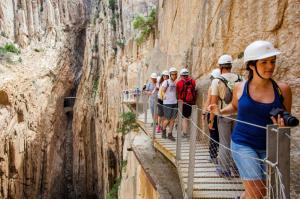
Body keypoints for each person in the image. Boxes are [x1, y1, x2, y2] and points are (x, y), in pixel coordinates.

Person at [209, 40, 292, 199]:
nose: (270, 66)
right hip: (243, 143)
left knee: (258, 191)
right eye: (264, 62)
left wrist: (282, 127)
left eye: (272, 62)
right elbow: (234, 107)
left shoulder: (283, 90)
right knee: (257, 191)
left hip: (269, 146)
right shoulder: (240, 87)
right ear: (252, 65)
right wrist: (220, 111)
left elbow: (285, 118)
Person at [209, 54, 242, 178]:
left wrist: (211, 120)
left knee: (224, 143)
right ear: (230, 65)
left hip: (223, 114)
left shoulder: (217, 81)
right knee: (237, 142)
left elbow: (213, 103)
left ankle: (224, 170)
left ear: (220, 66)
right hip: (238, 114)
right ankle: (237, 169)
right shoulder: (240, 78)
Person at [202, 68, 221, 164]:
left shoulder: (212, 87)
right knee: (220, 136)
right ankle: (219, 156)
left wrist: (204, 113)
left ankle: (212, 156)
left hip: (212, 113)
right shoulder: (223, 86)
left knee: (213, 135)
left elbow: (208, 101)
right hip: (222, 113)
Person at [176, 68, 197, 138]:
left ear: (181, 75)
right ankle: (185, 131)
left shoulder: (179, 83)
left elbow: (177, 93)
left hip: (183, 102)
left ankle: (185, 133)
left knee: (184, 118)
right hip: (191, 102)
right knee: (187, 118)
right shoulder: (193, 81)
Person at [161, 67, 178, 141]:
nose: (174, 76)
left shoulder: (174, 82)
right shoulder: (166, 82)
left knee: (173, 120)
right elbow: (162, 91)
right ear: (170, 75)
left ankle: (170, 134)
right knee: (167, 119)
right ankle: (163, 130)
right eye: (173, 74)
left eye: (175, 74)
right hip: (167, 103)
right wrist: (164, 95)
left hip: (174, 102)